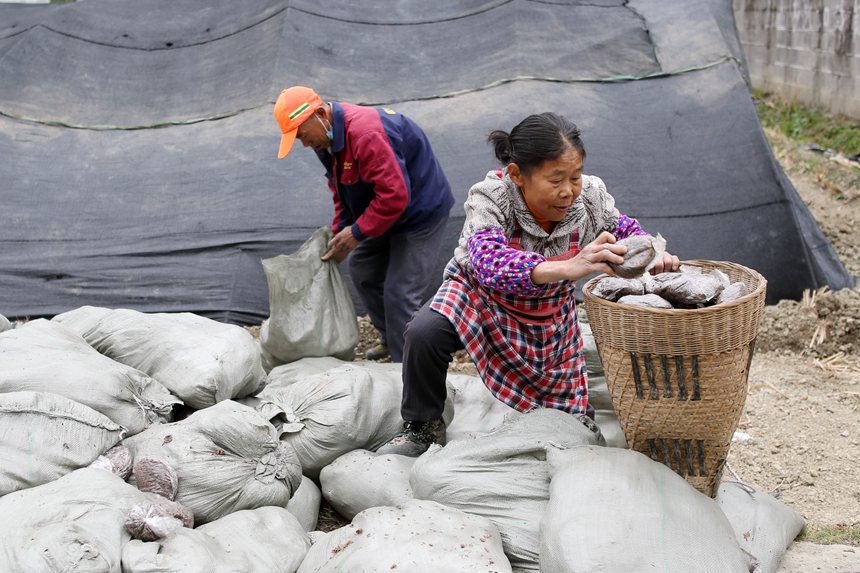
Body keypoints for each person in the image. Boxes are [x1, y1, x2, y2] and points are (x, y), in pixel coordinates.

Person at [377, 112, 680, 456]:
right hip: (480, 296)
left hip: (547, 309)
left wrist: (651, 253)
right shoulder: (491, 197)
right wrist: (570, 265)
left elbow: (625, 229)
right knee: (424, 332)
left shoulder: (590, 198)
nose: (568, 192)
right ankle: (422, 425)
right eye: (555, 180)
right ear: (517, 174)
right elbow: (488, 262)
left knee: (571, 421)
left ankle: (576, 436)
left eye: (575, 177)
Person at [273, 86, 455, 362]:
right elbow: (340, 188)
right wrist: (340, 231)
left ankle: (408, 367)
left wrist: (356, 232)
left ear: (320, 114)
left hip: (418, 214)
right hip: (381, 211)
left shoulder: (366, 134)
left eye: (301, 135)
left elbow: (395, 197)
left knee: (400, 292)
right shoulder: (326, 139)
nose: (304, 144)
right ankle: (392, 339)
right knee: (362, 269)